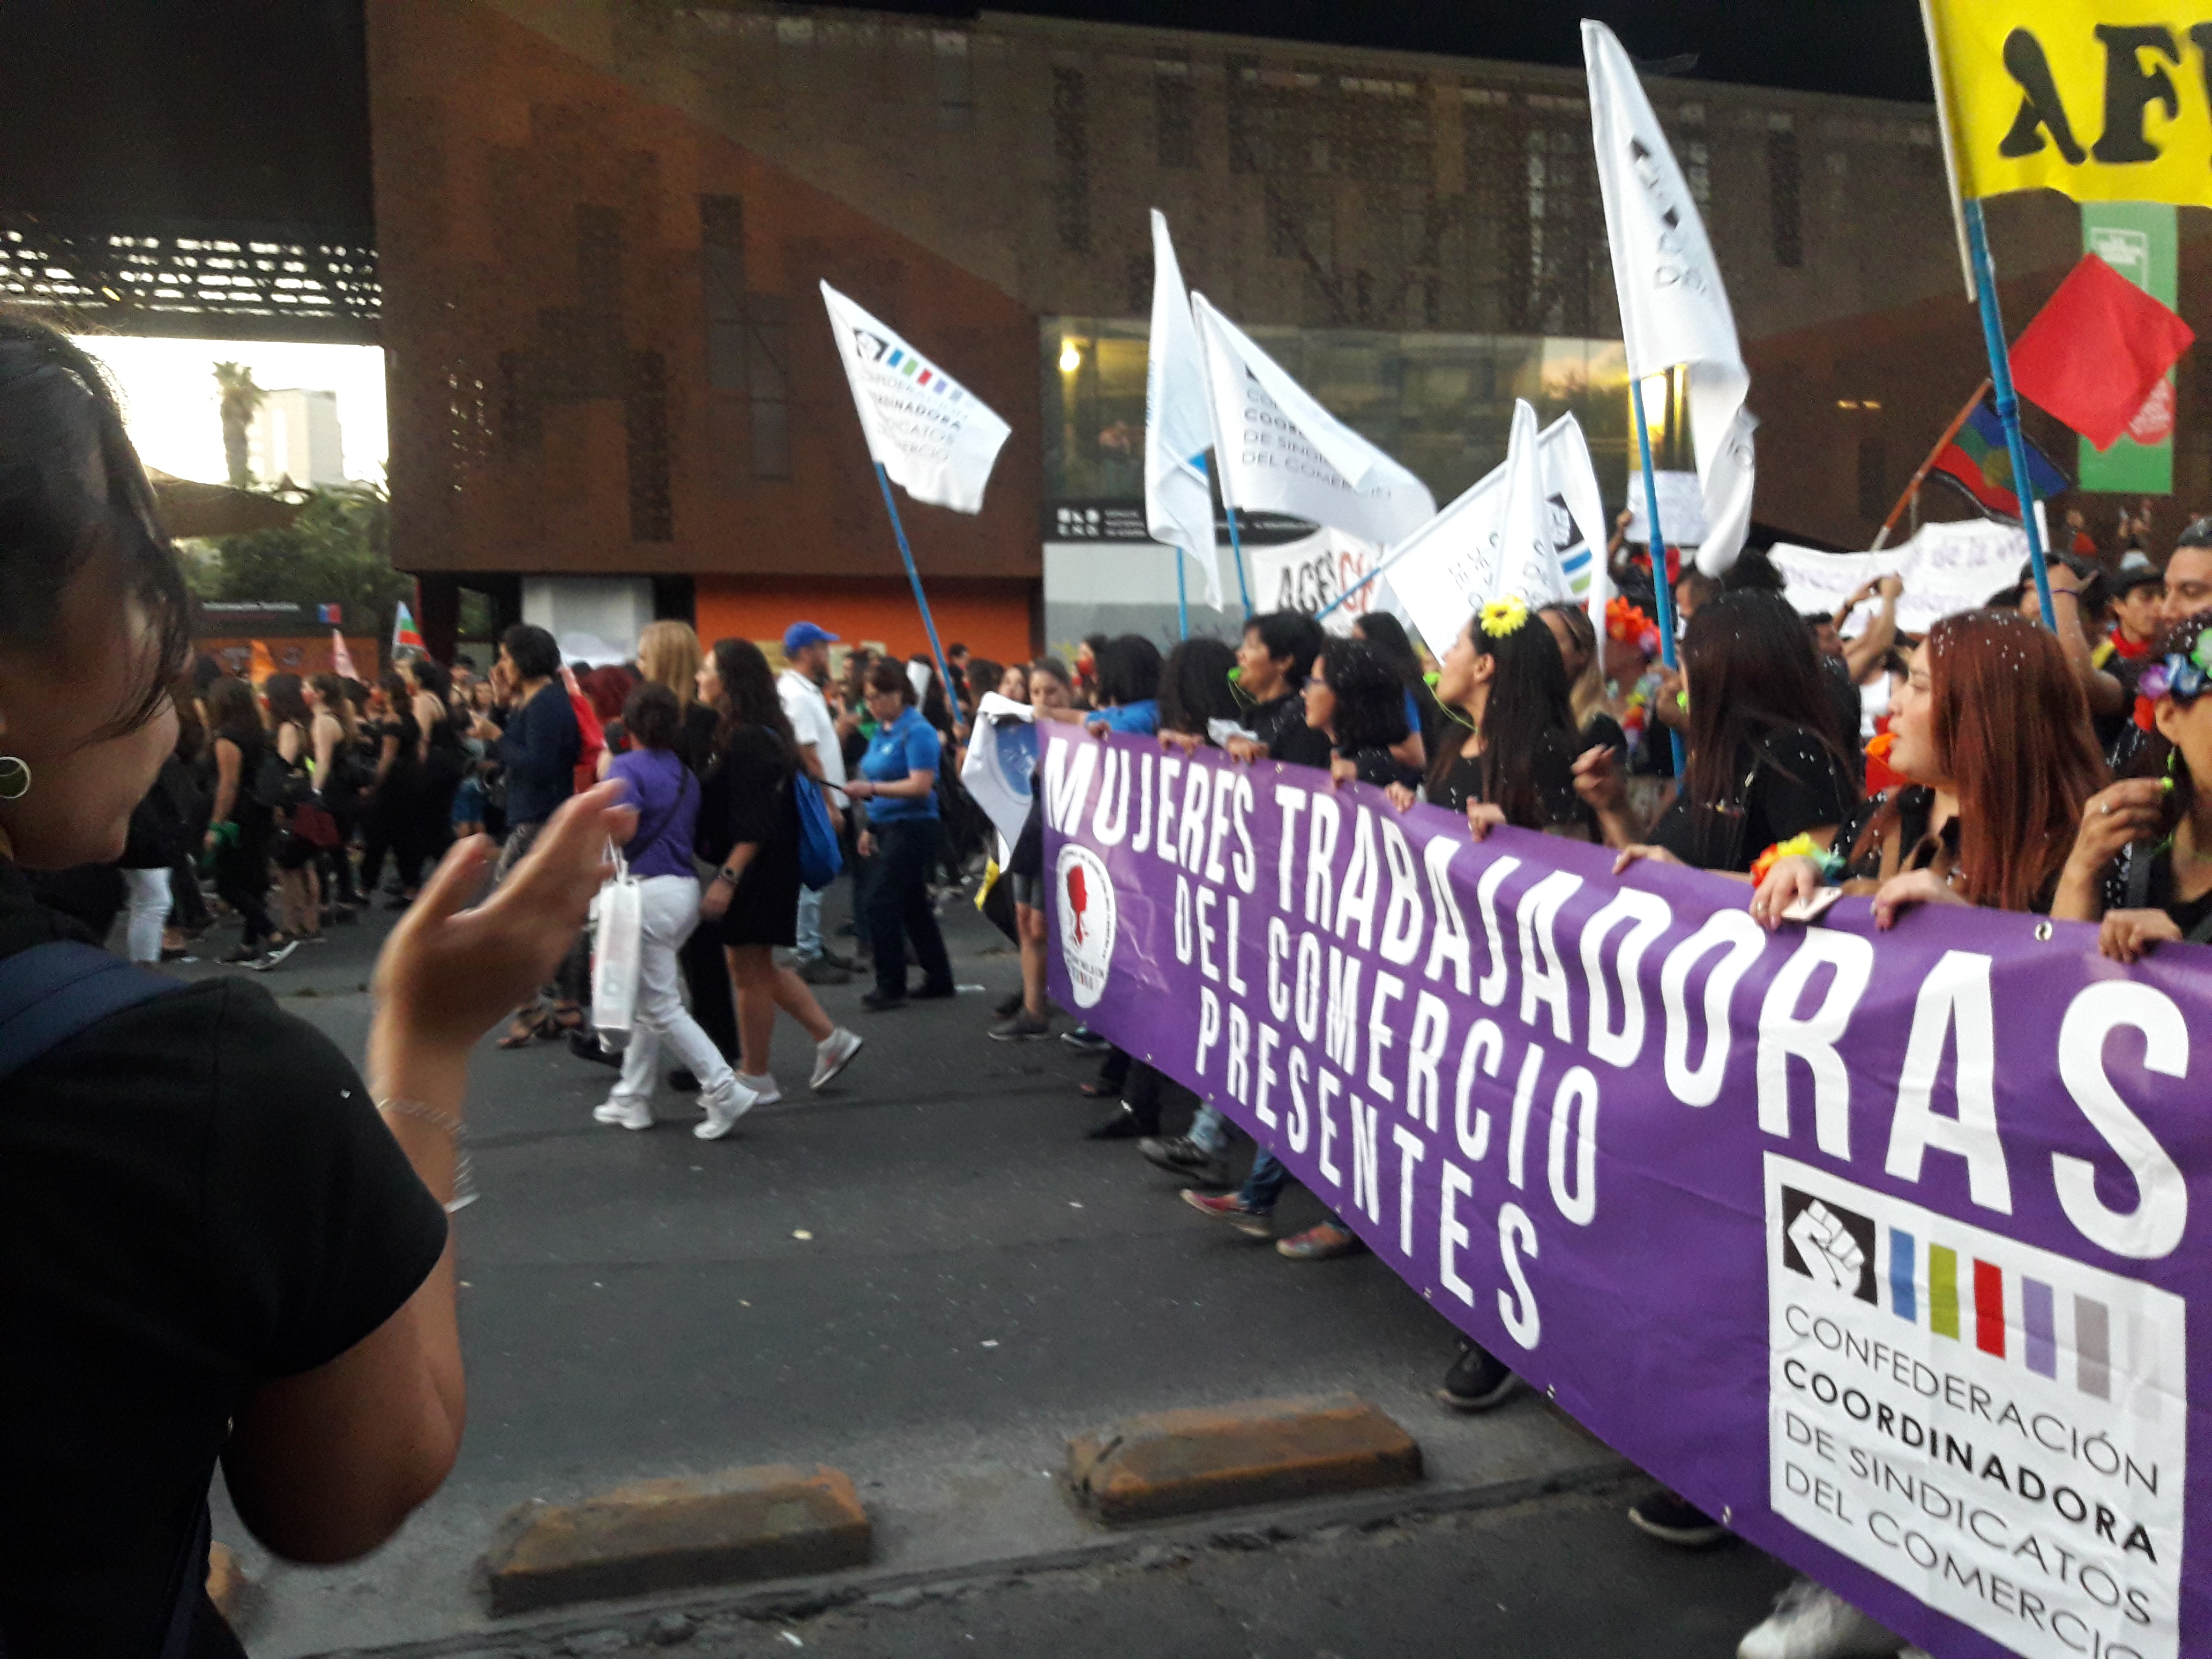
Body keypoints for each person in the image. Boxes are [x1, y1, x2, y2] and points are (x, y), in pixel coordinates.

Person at [0, 314, 638, 1657]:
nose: (177, 652)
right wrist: (424, 1042)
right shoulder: (179, 1086)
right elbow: (352, 1482)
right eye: (135, 579)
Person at [1739, 607, 2104, 1657]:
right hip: (1886, 1180)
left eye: (1915, 683)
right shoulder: (1878, 822)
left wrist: (1967, 914)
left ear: (1980, 715)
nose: (1889, 698)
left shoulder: (2067, 844)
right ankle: (1862, 1578)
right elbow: (1814, 894)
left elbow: (2081, 1002)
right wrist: (1810, 879)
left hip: (2018, 1210)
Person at [697, 638, 865, 1097]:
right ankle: (829, 1039)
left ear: (729, 680)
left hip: (755, 867)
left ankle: (756, 1074)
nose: (699, 678)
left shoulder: (747, 737)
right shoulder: (763, 730)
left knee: (748, 971)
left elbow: (754, 823)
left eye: (708, 669)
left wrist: (727, 879)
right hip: (770, 865)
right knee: (758, 966)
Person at [590, 682, 756, 1137]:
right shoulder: (683, 773)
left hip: (641, 892)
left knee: (659, 1005)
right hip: (681, 890)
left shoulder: (624, 767)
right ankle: (632, 1098)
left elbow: (622, 831)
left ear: (628, 726)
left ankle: (724, 1088)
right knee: (648, 1001)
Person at [1615, 591, 1858, 878]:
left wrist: (1687, 879)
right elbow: (1649, 867)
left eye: (1686, 667)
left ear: (1720, 674)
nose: (1681, 683)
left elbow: (1826, 882)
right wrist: (1612, 807)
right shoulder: (1726, 756)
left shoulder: (1794, 752)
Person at [2053, 610, 2212, 958]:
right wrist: (2081, 872)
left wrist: (2183, 964)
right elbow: (2055, 985)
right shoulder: (2122, 842)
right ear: (2169, 716)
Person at [634, 619, 734, 1086]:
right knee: (689, 962)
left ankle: (715, 1054)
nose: (637, 663)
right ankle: (713, 1049)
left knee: (697, 961)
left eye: (643, 655)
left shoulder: (690, 722)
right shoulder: (695, 719)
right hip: (691, 849)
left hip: (688, 851)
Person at [476, 624, 583, 1046]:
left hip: (537, 820)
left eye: (505, 657)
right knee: (554, 912)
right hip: (536, 816)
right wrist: (502, 709)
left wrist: (496, 736)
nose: (500, 666)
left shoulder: (547, 704)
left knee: (503, 914)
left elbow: (538, 764)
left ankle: (532, 1009)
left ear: (523, 659)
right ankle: (563, 1005)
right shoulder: (535, 700)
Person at [844, 656, 956, 1012]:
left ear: (899, 694)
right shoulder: (883, 729)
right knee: (913, 906)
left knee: (880, 902)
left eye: (878, 697)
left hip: (915, 826)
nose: (872, 705)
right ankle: (939, 978)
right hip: (890, 825)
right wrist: (872, 826)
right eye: (868, 698)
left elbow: (921, 785)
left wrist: (871, 789)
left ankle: (890, 984)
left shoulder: (917, 730)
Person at [989, 657, 1073, 1043]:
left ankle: (1047, 999)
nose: (1041, 700)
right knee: (1024, 920)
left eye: (1051, 692)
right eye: (1034, 692)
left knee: (1042, 924)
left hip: (1059, 833)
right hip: (1024, 828)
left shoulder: (1079, 726)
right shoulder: (1020, 728)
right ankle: (1033, 1007)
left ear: (1068, 690)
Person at [776, 622, 854, 987]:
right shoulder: (799, 696)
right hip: (814, 799)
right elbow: (809, 755)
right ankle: (807, 951)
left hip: (816, 796)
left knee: (816, 877)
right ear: (807, 651)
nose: (828, 653)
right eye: (823, 647)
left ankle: (813, 946)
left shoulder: (803, 691)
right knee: (814, 876)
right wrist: (829, 804)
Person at [203, 676, 291, 969]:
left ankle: (273, 933)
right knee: (253, 881)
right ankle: (249, 943)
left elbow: (229, 784)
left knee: (227, 884)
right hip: (262, 811)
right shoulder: (259, 733)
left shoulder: (227, 737)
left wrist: (216, 824)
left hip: (239, 816)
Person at [1309, 635, 1418, 791]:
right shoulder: (1334, 750)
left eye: (1314, 682)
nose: (1305, 693)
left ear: (1345, 693)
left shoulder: (1375, 766)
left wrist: (1360, 774)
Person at [263, 673, 324, 947]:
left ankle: (296, 923)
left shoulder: (287, 728)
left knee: (291, 867)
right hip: (308, 801)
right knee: (306, 864)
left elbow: (283, 767)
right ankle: (311, 923)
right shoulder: (304, 724)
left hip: (293, 806)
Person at [1225, 610, 1332, 769]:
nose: (1240, 654)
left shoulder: (1304, 717)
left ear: (1284, 661)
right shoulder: (1254, 714)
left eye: (1251, 646)